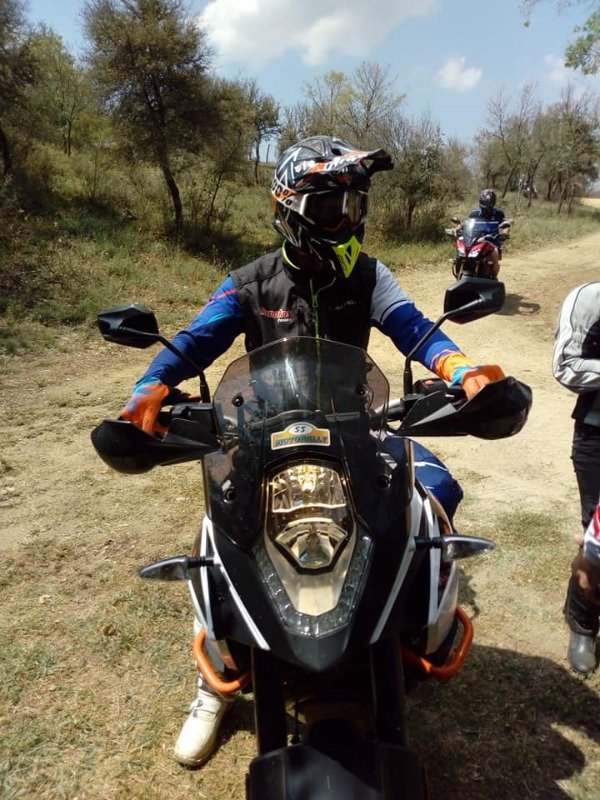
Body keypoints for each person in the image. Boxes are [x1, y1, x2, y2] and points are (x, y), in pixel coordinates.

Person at [119, 136, 506, 767]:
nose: (346, 220)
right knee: (218, 543)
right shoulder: (249, 283)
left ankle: (418, 623)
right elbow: (194, 340)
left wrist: (459, 368)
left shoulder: (369, 275)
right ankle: (213, 681)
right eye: (331, 208)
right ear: (290, 210)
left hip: (357, 431)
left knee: (434, 496)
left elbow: (412, 328)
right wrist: (152, 385)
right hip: (263, 441)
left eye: (355, 206)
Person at [553, 281, 600, 674]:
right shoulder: (590, 300)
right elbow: (565, 366)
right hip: (597, 434)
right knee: (596, 536)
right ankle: (582, 621)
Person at [466, 188, 507, 279]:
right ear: (480, 201)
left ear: (493, 202)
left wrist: (504, 234)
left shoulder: (499, 214)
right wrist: (456, 229)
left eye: (489, 203)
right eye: (484, 202)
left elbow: (505, 225)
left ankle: (494, 277)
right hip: (476, 241)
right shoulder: (474, 214)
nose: (487, 205)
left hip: (492, 242)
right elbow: (465, 224)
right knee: (464, 253)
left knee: (495, 254)